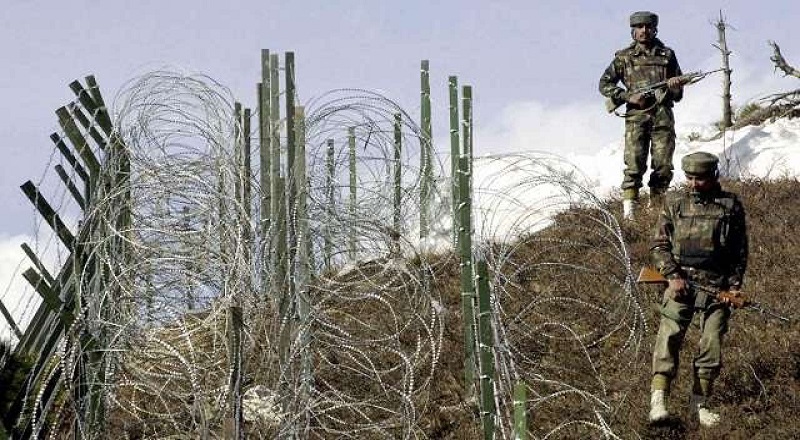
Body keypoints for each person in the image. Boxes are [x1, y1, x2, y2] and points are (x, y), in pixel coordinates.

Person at [648, 152, 748, 427]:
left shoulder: (731, 205)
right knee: (668, 338)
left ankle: (699, 404)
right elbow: (658, 245)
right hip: (681, 284)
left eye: (700, 178)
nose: (694, 184)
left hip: (717, 288)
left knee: (711, 344)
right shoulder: (674, 203)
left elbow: (739, 252)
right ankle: (658, 400)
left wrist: (734, 287)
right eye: (689, 178)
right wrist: (672, 275)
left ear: (713, 175)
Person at [599, 11, 685, 220]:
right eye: (639, 27)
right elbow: (604, 84)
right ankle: (630, 216)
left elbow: (679, 93)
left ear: (654, 29)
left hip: (662, 116)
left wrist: (674, 86)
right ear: (633, 31)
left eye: (648, 27)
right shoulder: (623, 57)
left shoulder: (667, 55)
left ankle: (656, 211)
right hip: (636, 117)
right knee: (634, 165)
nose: (644, 31)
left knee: (663, 166)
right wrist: (628, 96)